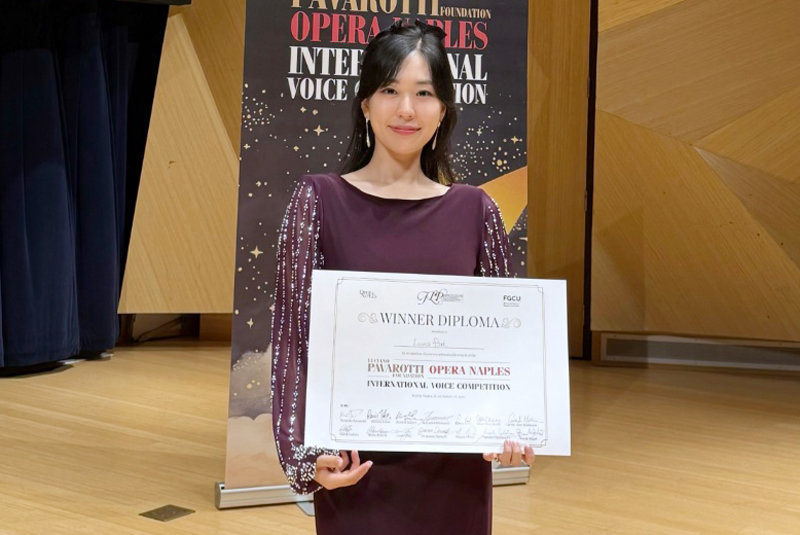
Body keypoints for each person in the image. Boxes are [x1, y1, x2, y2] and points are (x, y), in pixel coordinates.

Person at [270, 20, 534, 535]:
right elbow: (293, 341)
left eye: (424, 93)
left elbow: (507, 343)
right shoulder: (318, 200)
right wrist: (304, 456)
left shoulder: (476, 210)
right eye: (390, 91)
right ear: (365, 104)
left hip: (454, 470)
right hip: (355, 465)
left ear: (444, 110)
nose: (406, 109)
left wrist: (514, 423)